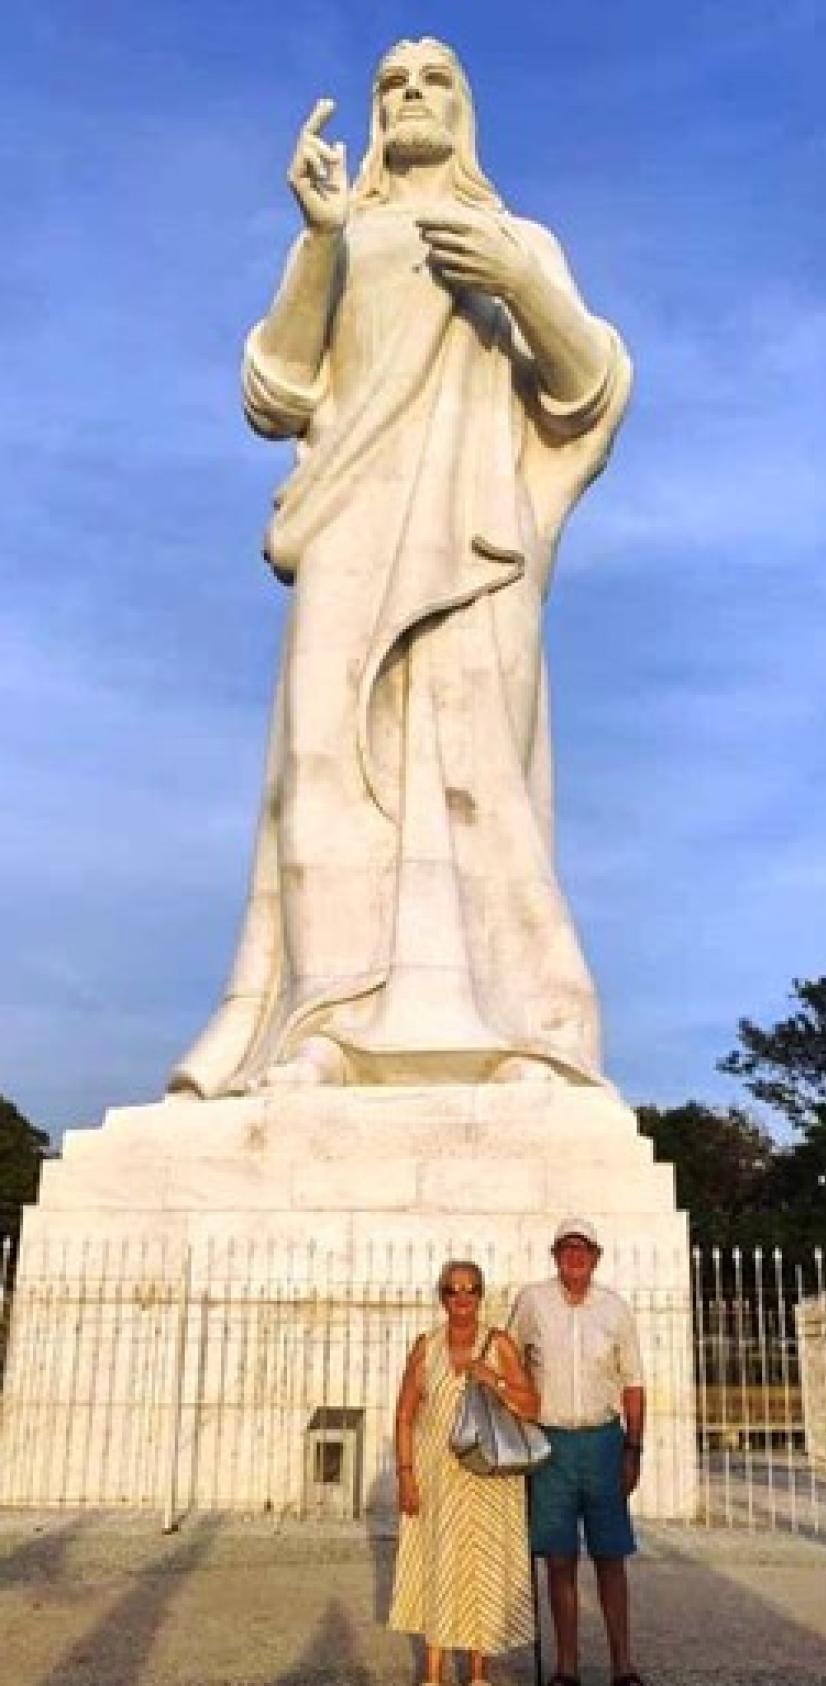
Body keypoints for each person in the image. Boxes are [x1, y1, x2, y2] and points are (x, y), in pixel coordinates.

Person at [169, 37, 632, 1099]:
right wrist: (322, 243)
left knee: (483, 772)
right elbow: (275, 392)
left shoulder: (516, 238)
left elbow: (588, 390)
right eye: (393, 84)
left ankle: (527, 1028)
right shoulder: (342, 239)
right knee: (324, 770)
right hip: (350, 526)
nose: (412, 96)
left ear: (464, 109)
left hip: (477, 541)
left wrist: (521, 284)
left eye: (434, 82)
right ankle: (320, 1022)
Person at [510, 1219, 655, 1686]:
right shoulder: (532, 1302)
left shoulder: (615, 1308)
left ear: (596, 1256)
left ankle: (623, 1669)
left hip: (602, 1440)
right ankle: (566, 1671)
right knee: (559, 1560)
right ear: (555, 1255)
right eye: (567, 1248)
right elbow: (512, 1364)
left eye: (584, 1249)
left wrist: (634, 1447)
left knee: (611, 1558)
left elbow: (633, 1383)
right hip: (550, 1441)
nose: (575, 1257)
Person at [388, 1258, 541, 1686]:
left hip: (488, 1477)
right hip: (437, 1475)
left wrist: (492, 1379)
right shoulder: (426, 1347)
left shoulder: (500, 1345)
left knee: (483, 1570)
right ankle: (432, 1674)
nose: (462, 1298)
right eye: (453, 1290)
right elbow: (404, 1414)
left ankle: (479, 1673)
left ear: (480, 1295)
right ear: (442, 1297)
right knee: (437, 1563)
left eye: (470, 1289)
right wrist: (406, 1474)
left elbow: (532, 1406)